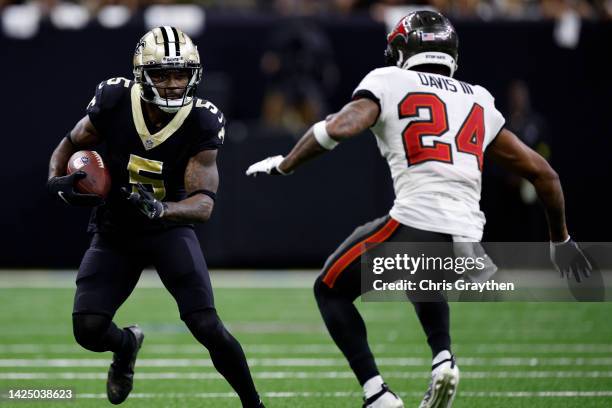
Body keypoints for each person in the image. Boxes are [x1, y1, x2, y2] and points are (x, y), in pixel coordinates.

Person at [246, 11, 591, 408]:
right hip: (468, 235)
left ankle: (377, 394)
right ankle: (442, 356)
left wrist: (286, 163)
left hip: (417, 220)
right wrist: (561, 241)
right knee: (419, 271)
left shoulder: (389, 80)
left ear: (402, 50)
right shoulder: (477, 97)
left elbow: (339, 128)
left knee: (329, 289)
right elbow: (545, 174)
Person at [47, 26, 264, 407]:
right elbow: (70, 143)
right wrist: (56, 180)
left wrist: (164, 209)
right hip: (116, 228)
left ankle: (254, 405)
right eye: (162, 73)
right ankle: (126, 344)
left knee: (206, 326)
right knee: (88, 329)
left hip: (167, 229)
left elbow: (203, 203)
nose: (173, 83)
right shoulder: (115, 99)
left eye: (181, 73)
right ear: (141, 74)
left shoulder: (202, 120)